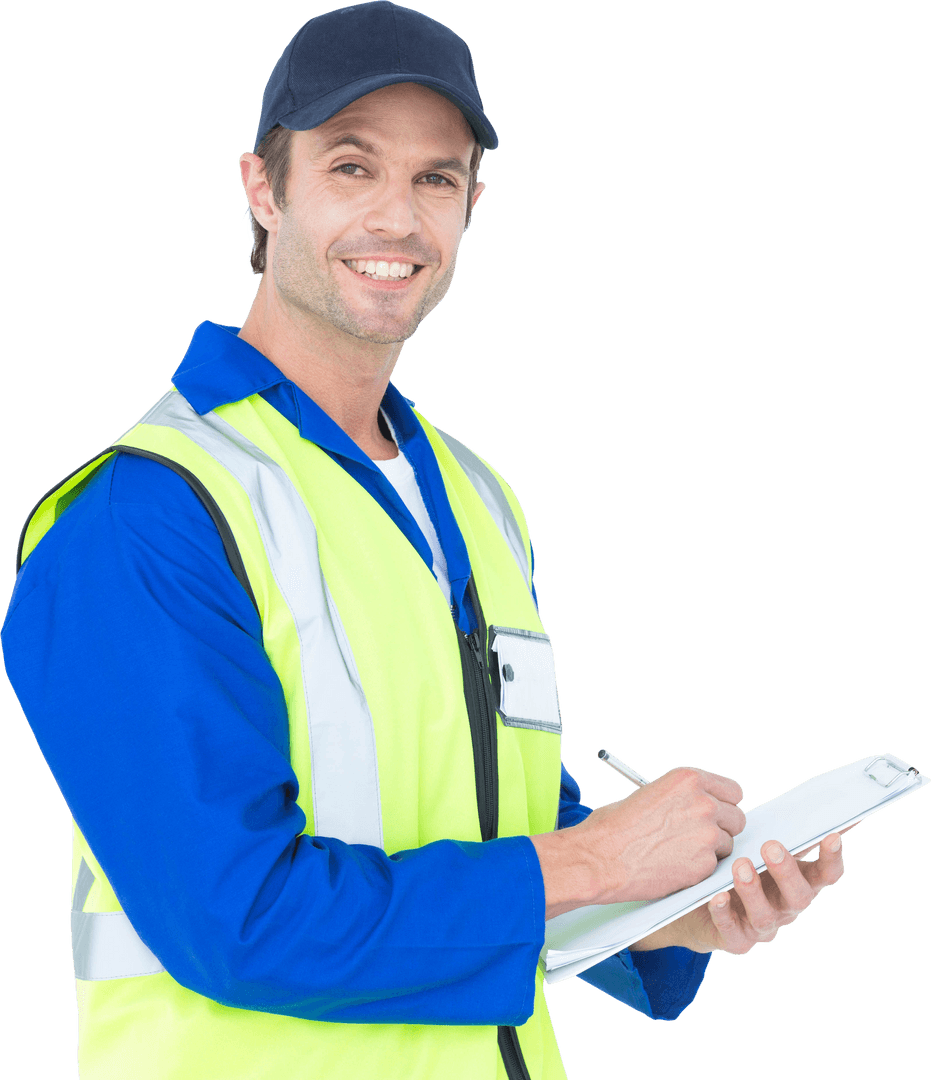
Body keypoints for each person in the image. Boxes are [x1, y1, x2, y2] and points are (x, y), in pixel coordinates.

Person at [1, 4, 847, 1079]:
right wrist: (589, 860)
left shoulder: (480, 498)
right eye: (352, 168)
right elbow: (235, 915)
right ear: (264, 190)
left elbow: (504, 816)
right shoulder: (143, 515)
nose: (397, 218)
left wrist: (670, 909)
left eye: (435, 179)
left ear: (471, 206)